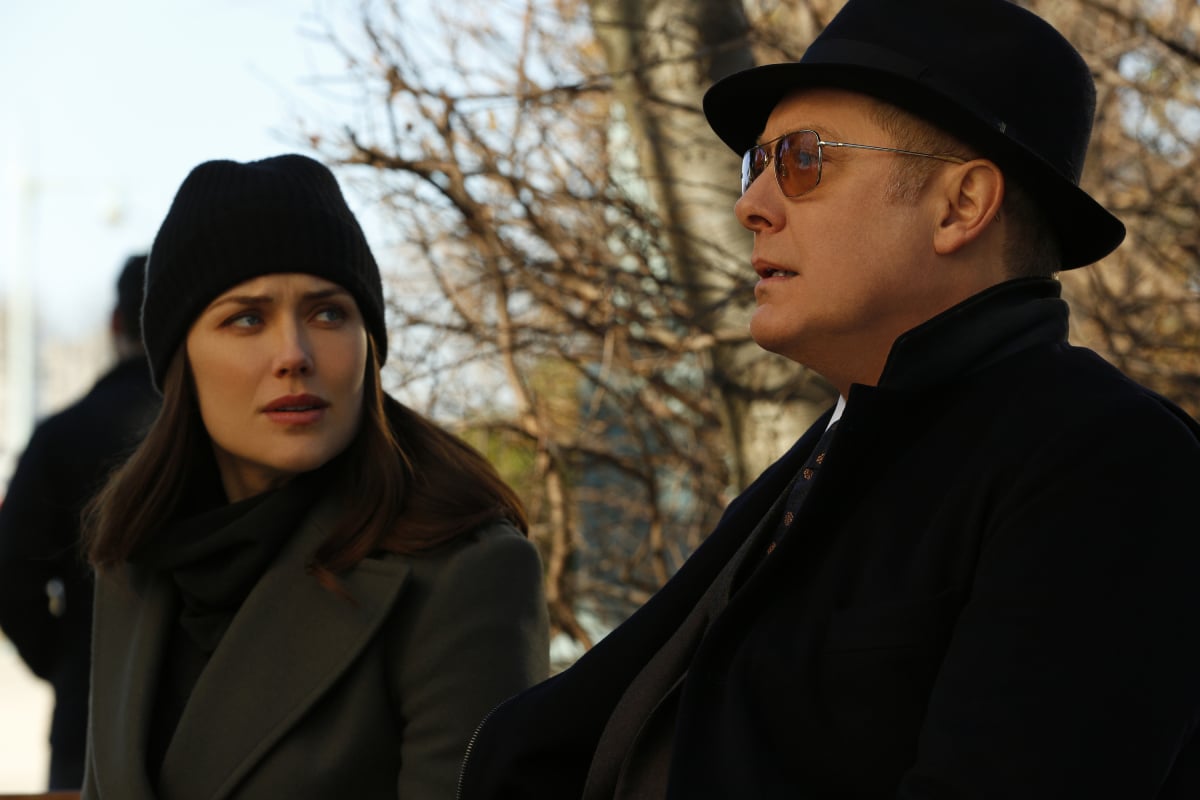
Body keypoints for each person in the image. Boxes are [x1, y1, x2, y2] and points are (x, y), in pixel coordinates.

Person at [456, 0, 1200, 797]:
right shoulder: (827, 457)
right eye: (757, 164)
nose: (752, 204)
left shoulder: (1106, 460)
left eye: (803, 161)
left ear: (960, 206)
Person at [78, 154, 549, 799]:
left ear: (368, 342)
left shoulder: (464, 573)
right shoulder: (134, 557)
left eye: (328, 313)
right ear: (180, 359)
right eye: (247, 318)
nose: (293, 355)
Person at [0, 254, 160, 790]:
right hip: (217, 720)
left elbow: (10, 576)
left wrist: (66, 663)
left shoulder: (60, 437)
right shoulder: (225, 439)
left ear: (116, 324)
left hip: (89, 713)